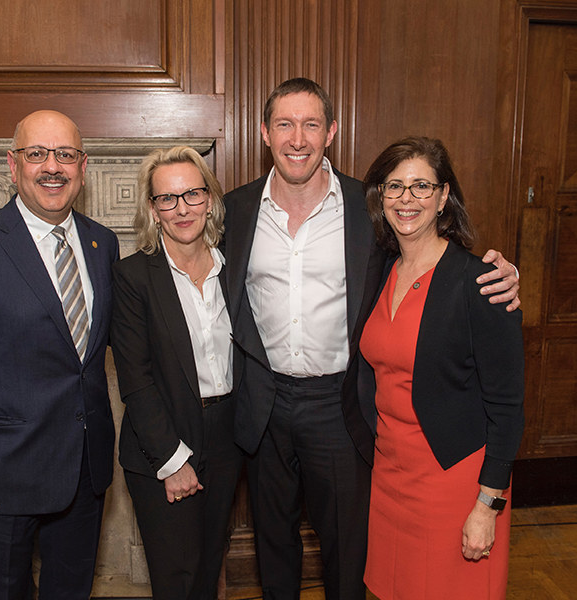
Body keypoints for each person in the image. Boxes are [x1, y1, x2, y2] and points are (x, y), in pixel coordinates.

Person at [222, 78, 521, 600]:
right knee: (274, 546)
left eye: (312, 125)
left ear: (331, 132)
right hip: (263, 401)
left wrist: (502, 274)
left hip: (341, 405)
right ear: (264, 133)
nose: (298, 139)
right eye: (285, 125)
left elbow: (440, 266)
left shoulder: (371, 210)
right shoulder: (235, 211)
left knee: (349, 549)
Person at [0, 110, 119, 600]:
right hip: (0, 480)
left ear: (83, 165)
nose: (52, 166)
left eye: (66, 155)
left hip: (83, 472)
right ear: (13, 165)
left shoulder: (102, 244)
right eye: (37, 154)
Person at [359, 136, 525, 599]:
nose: (406, 199)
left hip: (453, 480)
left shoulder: (480, 283)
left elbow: (508, 406)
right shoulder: (381, 270)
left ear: (443, 197)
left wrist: (488, 504)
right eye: (395, 186)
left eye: (420, 186)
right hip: (389, 472)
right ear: (381, 197)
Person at [110, 146, 243, 600]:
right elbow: (136, 379)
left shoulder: (235, 267)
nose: (182, 208)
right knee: (177, 580)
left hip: (227, 434)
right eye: (168, 199)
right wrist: (172, 460)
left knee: (209, 569)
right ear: (153, 209)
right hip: (163, 441)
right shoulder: (132, 278)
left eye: (192, 194)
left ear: (210, 198)